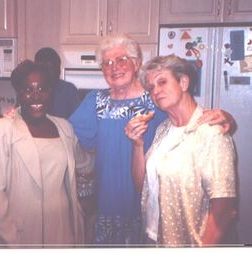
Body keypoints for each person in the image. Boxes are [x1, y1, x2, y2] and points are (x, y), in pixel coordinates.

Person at [68, 33, 235, 245]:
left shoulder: (157, 99)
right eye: (107, 63)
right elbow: (65, 132)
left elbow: (188, 117)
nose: (114, 67)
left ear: (137, 63)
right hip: (107, 204)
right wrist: (18, 115)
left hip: (151, 208)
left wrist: (226, 117)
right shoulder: (97, 101)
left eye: (121, 60)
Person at [125, 55, 237, 246]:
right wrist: (137, 145)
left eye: (162, 82)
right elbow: (141, 186)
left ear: (183, 82)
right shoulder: (163, 129)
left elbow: (224, 210)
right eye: (151, 88)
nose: (156, 91)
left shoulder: (211, 132)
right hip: (153, 237)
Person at [0, 60, 88, 246]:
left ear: (51, 92)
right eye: (28, 90)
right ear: (19, 93)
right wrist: (9, 239)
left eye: (43, 89)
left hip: (62, 228)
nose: (36, 96)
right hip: (20, 233)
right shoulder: (2, 129)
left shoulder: (64, 127)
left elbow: (85, 164)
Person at [34, 47, 81, 118]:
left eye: (50, 68)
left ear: (59, 70)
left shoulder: (69, 91)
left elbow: (78, 121)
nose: (46, 73)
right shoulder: (31, 92)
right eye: (42, 69)